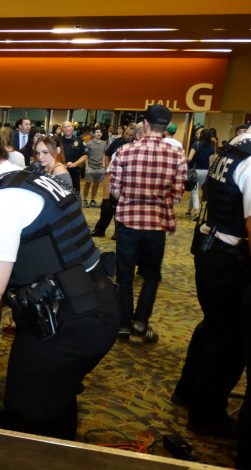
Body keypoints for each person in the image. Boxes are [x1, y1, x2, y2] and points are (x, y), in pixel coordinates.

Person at [0, 108, 118, 440]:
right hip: (95, 307)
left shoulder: (0, 203)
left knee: (27, 413)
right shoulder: (32, 178)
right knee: (56, 399)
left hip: (68, 326)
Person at [172, 127, 251, 447]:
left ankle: (188, 392)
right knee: (228, 341)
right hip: (228, 257)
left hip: (210, 247)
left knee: (212, 327)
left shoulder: (236, 145)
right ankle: (206, 415)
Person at [109, 104, 186, 342]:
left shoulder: (125, 152)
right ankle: (141, 323)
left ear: (145, 123)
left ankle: (123, 324)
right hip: (157, 225)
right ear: (166, 127)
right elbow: (177, 194)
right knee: (151, 275)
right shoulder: (176, 155)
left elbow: (114, 190)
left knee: (124, 275)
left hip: (128, 222)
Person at [91, 124, 137, 237]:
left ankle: (118, 233)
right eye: (126, 133)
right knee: (106, 205)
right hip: (111, 176)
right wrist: (106, 167)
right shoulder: (117, 141)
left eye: (131, 135)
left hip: (126, 181)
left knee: (119, 208)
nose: (127, 136)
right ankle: (100, 230)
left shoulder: (137, 146)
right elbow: (107, 154)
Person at [186, 127, 215, 218]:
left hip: (196, 170)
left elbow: (189, 158)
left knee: (194, 191)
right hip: (206, 171)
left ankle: (197, 210)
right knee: (195, 189)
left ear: (201, 135)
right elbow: (211, 162)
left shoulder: (196, 144)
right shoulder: (211, 147)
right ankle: (189, 209)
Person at [60, 121, 87, 195]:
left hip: (74, 173)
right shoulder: (58, 141)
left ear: (72, 128)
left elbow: (84, 156)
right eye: (65, 127)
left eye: (69, 126)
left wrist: (74, 164)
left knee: (75, 194)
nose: (67, 129)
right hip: (60, 172)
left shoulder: (79, 140)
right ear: (62, 129)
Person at [83, 128, 108, 208]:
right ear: (93, 134)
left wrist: (104, 165)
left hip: (100, 167)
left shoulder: (104, 143)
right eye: (97, 132)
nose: (99, 133)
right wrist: (86, 166)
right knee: (87, 184)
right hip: (90, 167)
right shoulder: (89, 143)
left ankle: (93, 200)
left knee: (96, 184)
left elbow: (104, 154)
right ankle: (85, 200)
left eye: (100, 132)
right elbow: (85, 156)